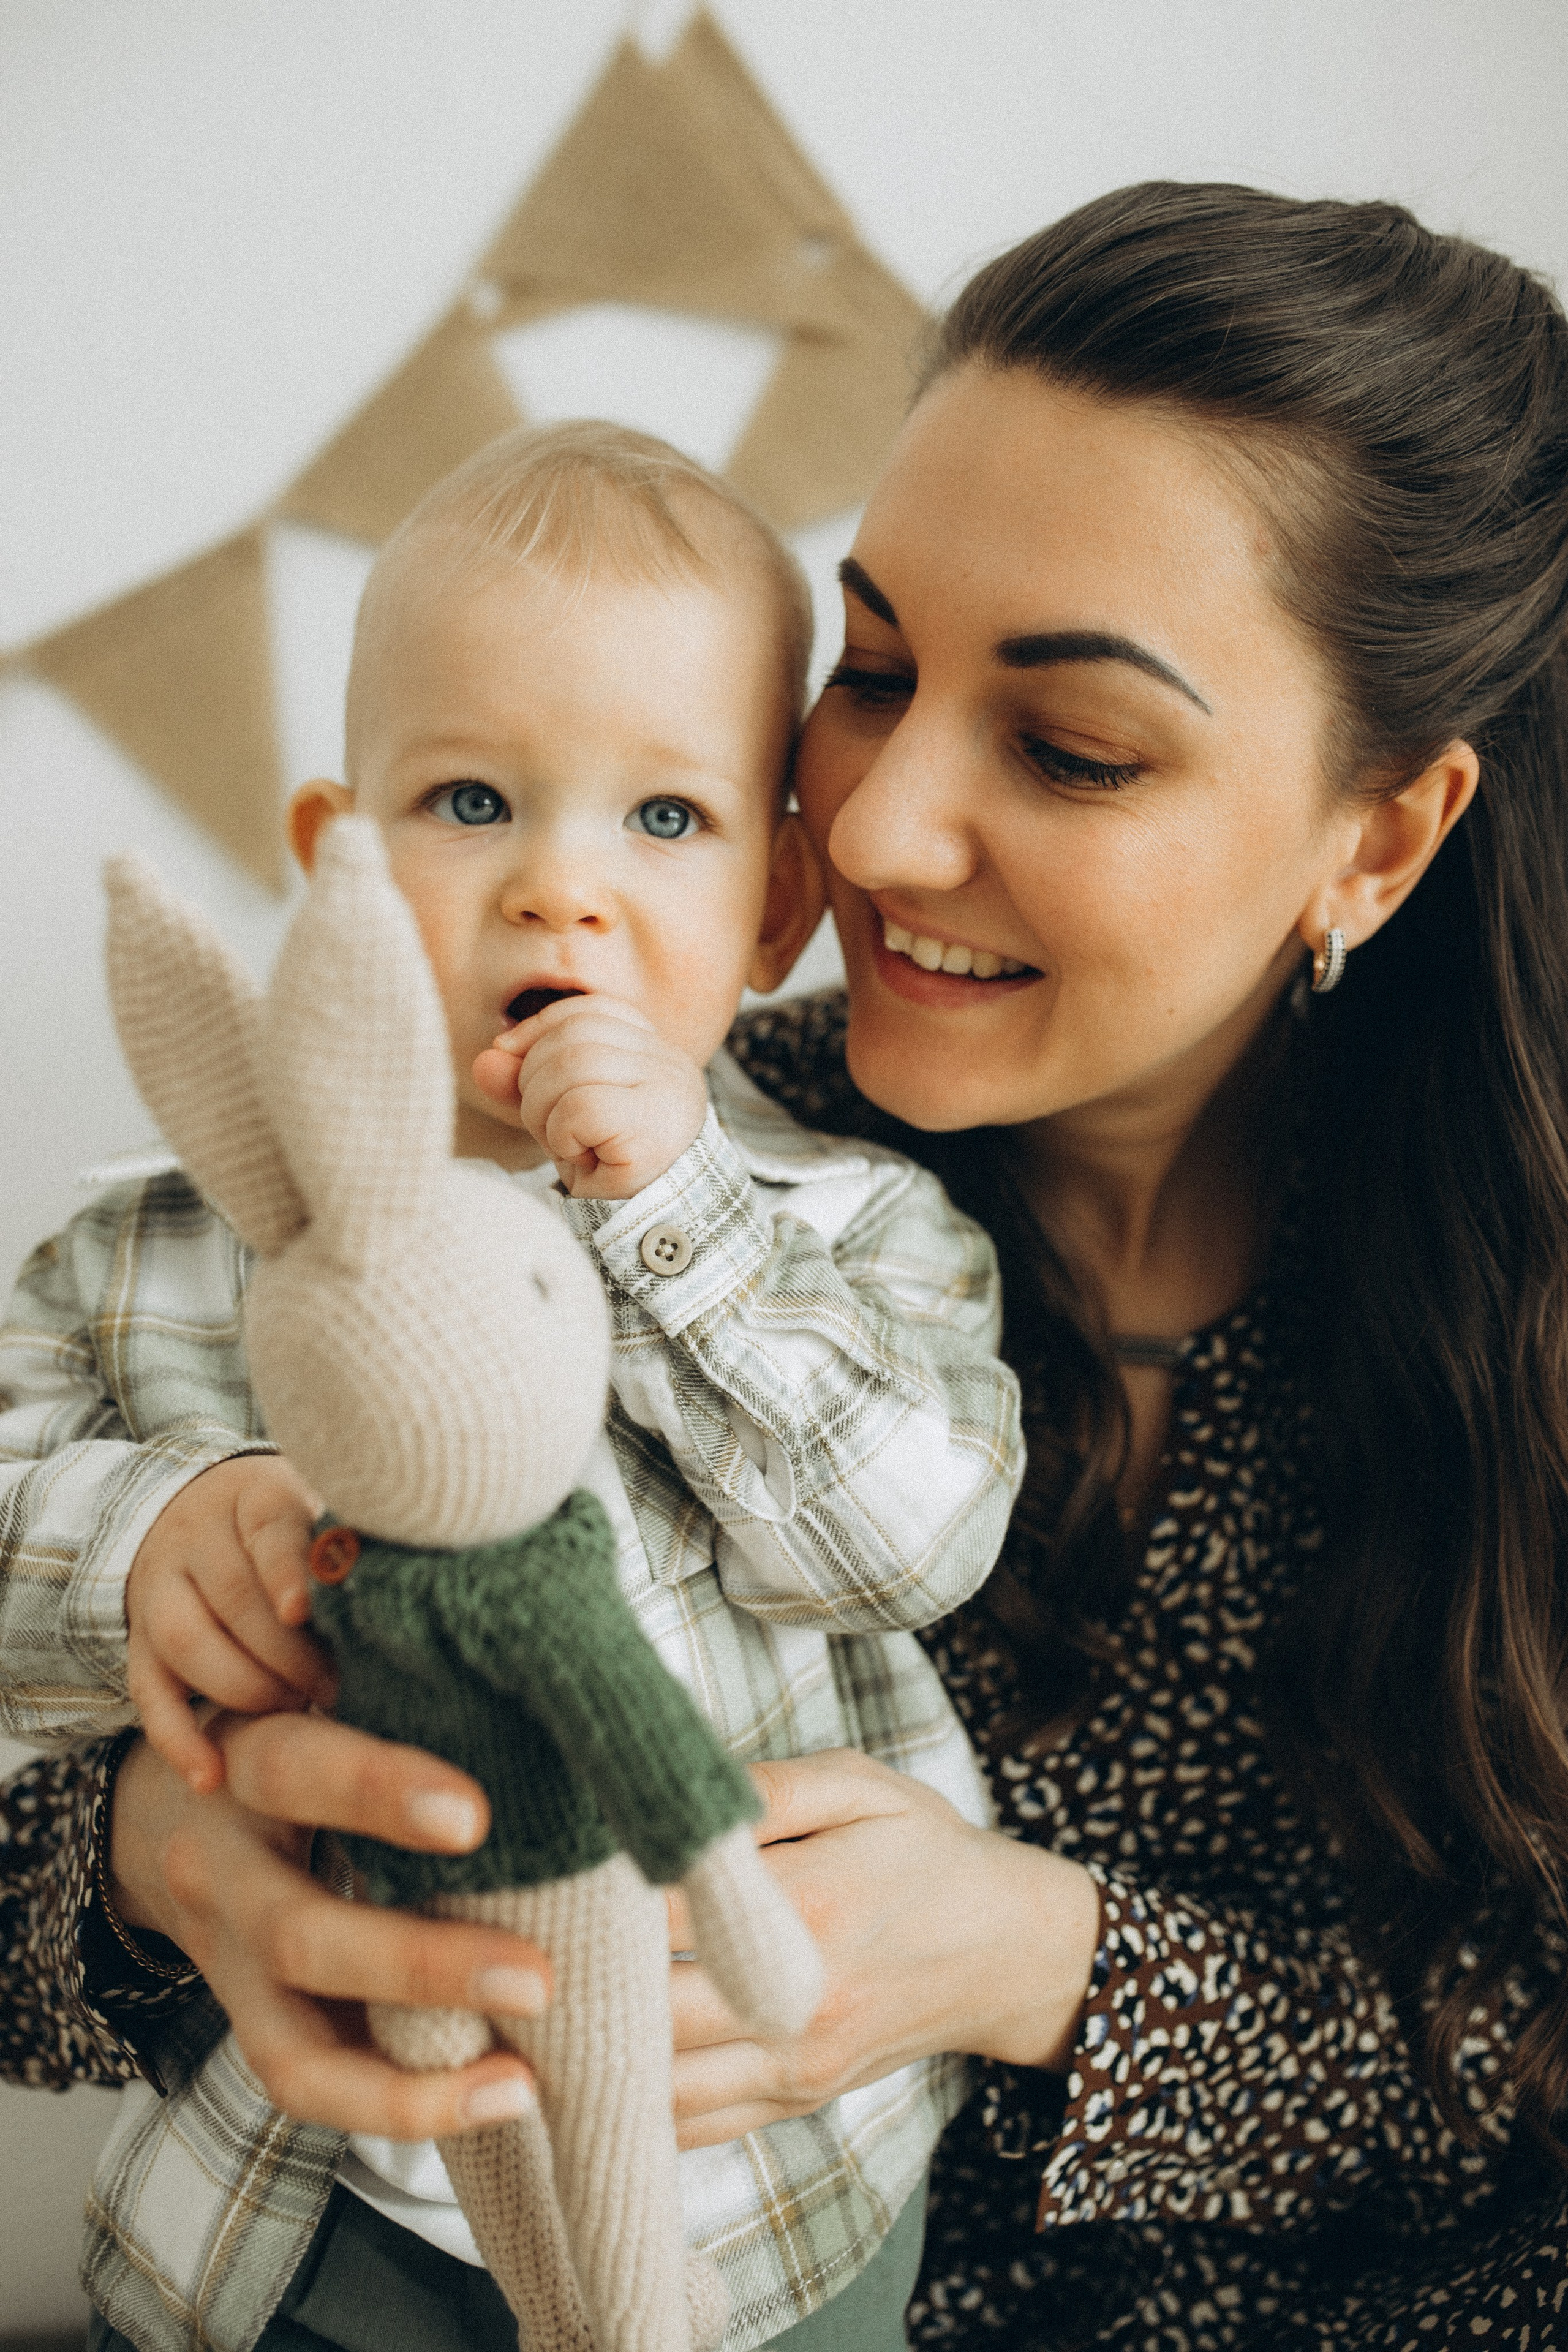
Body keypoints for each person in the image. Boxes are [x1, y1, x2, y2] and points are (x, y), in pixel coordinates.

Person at [10, 176, 1568, 2349]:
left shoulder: (1495, 1304)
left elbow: (1529, 2079)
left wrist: (1040, 1965)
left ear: (1379, 838)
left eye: (1071, 746)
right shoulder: (570, 1154)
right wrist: (153, 1869)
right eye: (874, 667)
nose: (876, 826)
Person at [0, 420, 1023, 2351]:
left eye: (664, 821)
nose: (562, 890)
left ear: (780, 910)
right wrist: (143, 1541)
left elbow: (916, 1536)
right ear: (340, 871)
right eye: (471, 801)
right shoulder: (157, 1249)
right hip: (306, 2200)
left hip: (764, 2191)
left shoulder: (856, 1230)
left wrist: (678, 1214)